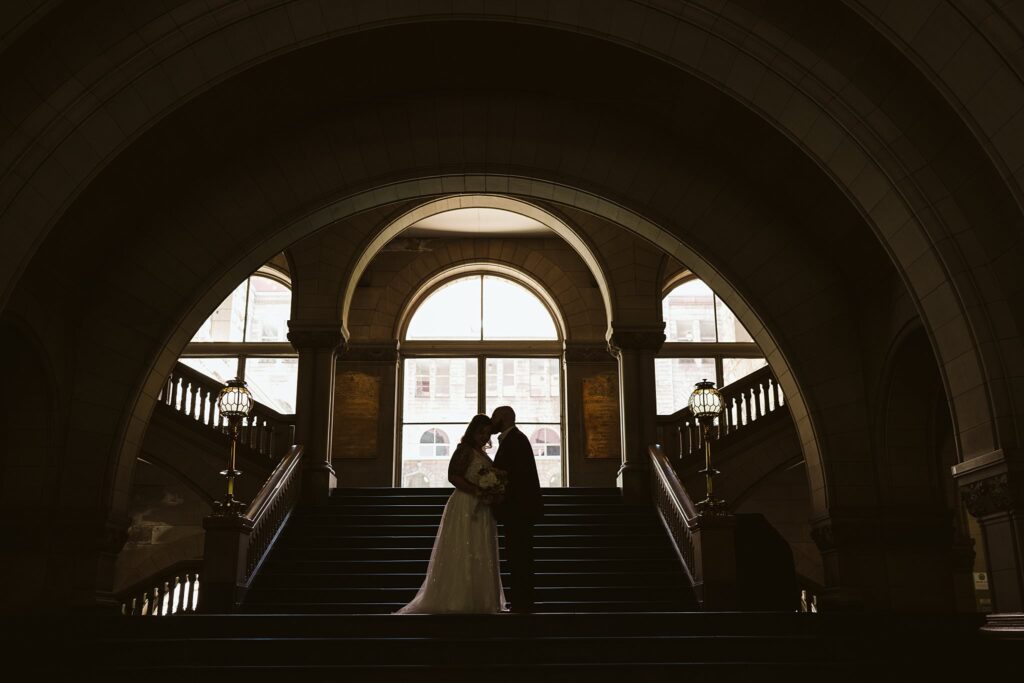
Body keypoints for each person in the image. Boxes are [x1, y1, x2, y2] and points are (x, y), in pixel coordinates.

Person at [395, 414, 506, 614]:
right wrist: (476, 490)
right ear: (472, 431)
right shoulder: (463, 450)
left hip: (482, 507)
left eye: (487, 433)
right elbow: (453, 475)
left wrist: (492, 490)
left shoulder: (482, 454)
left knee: (480, 549)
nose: (483, 437)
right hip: (465, 503)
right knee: (463, 546)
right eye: (480, 432)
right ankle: (458, 598)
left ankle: (481, 599)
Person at [490, 405, 544, 613]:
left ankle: (522, 602)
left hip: (519, 512)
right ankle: (522, 600)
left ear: (503, 418)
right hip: (519, 511)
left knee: (519, 557)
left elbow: (517, 478)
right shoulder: (514, 439)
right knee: (518, 557)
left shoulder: (515, 440)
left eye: (495, 417)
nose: (492, 421)